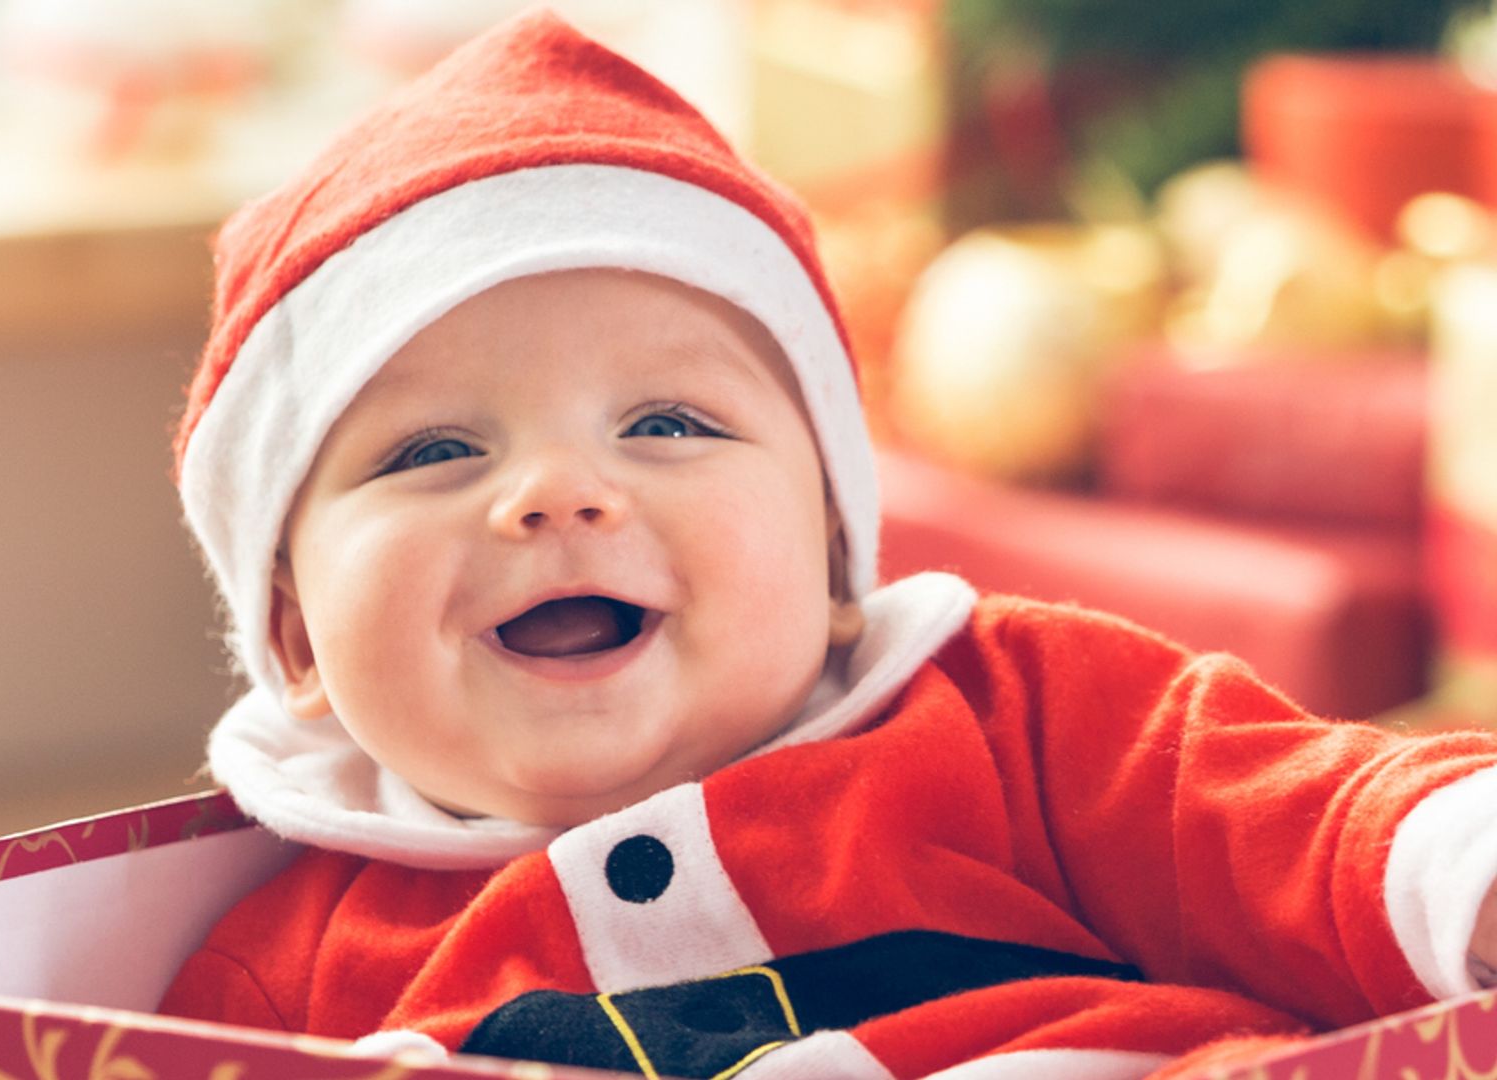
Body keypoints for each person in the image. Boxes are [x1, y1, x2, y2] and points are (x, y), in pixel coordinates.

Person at [160, 10, 1497, 1079]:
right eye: (435, 452)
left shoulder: (1012, 716)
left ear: (838, 548)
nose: (559, 496)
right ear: (292, 636)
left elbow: (1300, 816)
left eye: (669, 422)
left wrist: (1465, 869)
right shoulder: (288, 978)